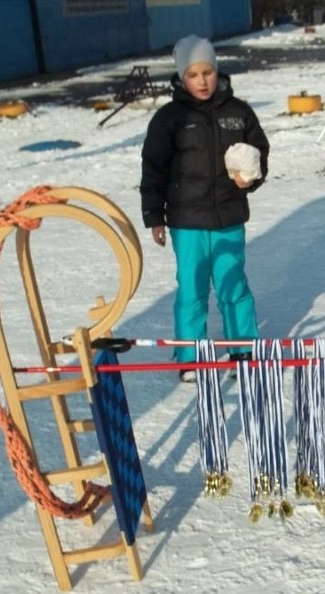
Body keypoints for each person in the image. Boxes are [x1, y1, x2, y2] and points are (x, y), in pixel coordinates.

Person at [140, 35, 269, 383]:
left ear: (217, 71)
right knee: (192, 288)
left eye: (208, 72)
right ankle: (191, 356)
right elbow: (153, 168)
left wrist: (251, 178)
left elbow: (259, 153)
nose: (202, 81)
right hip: (187, 220)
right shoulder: (169, 118)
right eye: (194, 74)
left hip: (228, 216)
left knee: (233, 284)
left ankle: (243, 349)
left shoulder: (238, 112)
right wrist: (154, 216)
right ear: (182, 76)